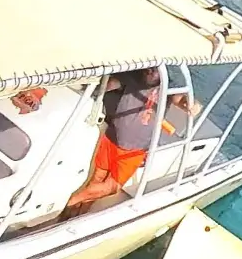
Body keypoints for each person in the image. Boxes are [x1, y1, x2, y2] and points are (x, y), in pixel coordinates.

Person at [64, 68, 197, 213]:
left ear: (163, 71)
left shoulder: (168, 87)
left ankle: (74, 203)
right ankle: (76, 209)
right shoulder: (132, 75)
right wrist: (98, 86)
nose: (151, 71)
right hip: (112, 137)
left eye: (155, 70)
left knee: (112, 187)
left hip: (135, 148)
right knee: (97, 179)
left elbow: (181, 99)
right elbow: (111, 84)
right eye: (150, 68)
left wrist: (191, 105)